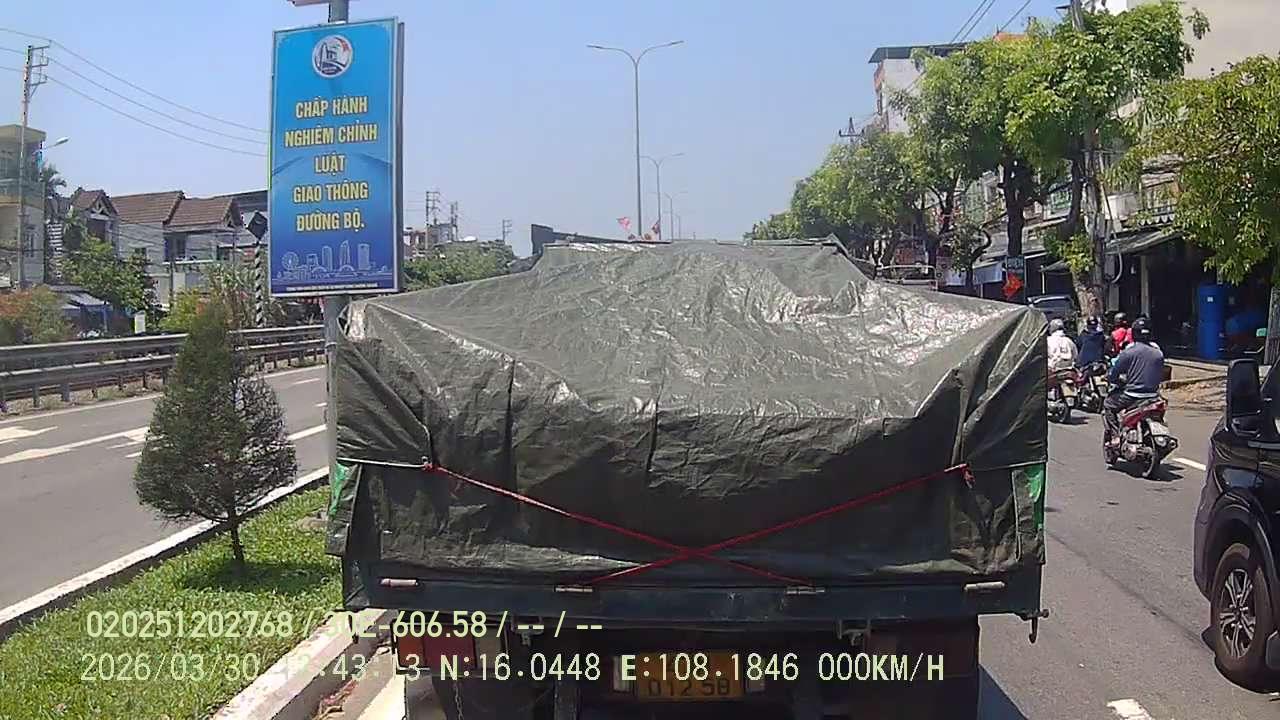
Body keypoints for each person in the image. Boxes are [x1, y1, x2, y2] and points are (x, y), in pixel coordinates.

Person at [1104, 316, 1165, 445]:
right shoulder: (1158, 353)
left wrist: (1112, 379)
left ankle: (1115, 436)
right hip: (1153, 396)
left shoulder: (1129, 352)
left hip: (1132, 396)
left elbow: (1114, 373)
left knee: (1108, 405)